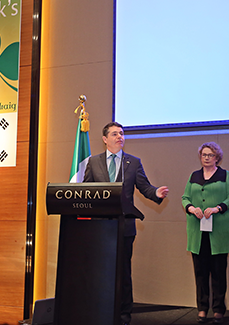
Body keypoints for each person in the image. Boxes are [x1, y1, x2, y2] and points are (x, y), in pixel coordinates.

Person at [83, 121, 169, 325]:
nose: (119, 137)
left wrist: (155, 193)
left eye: (121, 133)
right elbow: (86, 191)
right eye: (114, 134)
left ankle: (123, 316)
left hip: (124, 227)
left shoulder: (134, 162)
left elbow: (145, 187)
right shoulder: (93, 162)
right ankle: (101, 312)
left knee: (123, 273)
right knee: (101, 272)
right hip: (100, 228)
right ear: (105, 139)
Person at [182, 142, 229, 324]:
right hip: (197, 232)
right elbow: (185, 198)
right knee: (200, 273)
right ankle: (202, 309)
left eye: (210, 155)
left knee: (219, 273)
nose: (206, 158)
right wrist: (190, 208)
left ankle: (219, 309)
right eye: (204, 155)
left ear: (217, 157)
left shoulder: (224, 175)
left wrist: (217, 208)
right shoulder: (194, 175)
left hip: (218, 231)